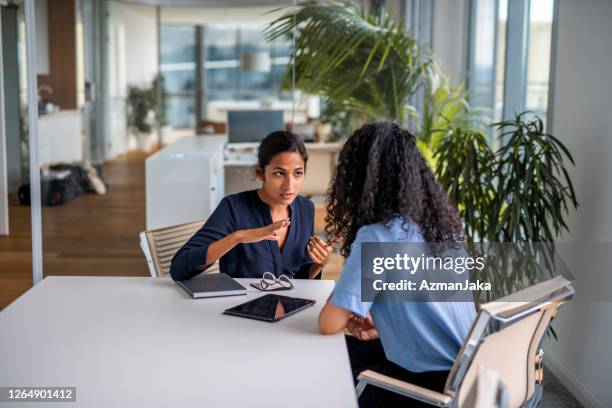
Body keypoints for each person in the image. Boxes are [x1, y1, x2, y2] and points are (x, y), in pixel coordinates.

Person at [318, 122, 477, 407]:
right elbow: (434, 308)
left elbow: (329, 324)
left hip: (421, 390)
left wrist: (343, 300)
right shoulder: (443, 230)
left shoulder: (378, 236)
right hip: (466, 378)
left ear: (358, 179)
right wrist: (384, 324)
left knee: (323, 372)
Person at [170, 130, 333, 281]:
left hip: (289, 308)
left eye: (298, 173)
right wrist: (237, 237)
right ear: (260, 173)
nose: (289, 185)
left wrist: (320, 263)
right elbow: (179, 269)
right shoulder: (233, 208)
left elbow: (300, 280)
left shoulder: (306, 209)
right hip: (240, 308)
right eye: (279, 173)